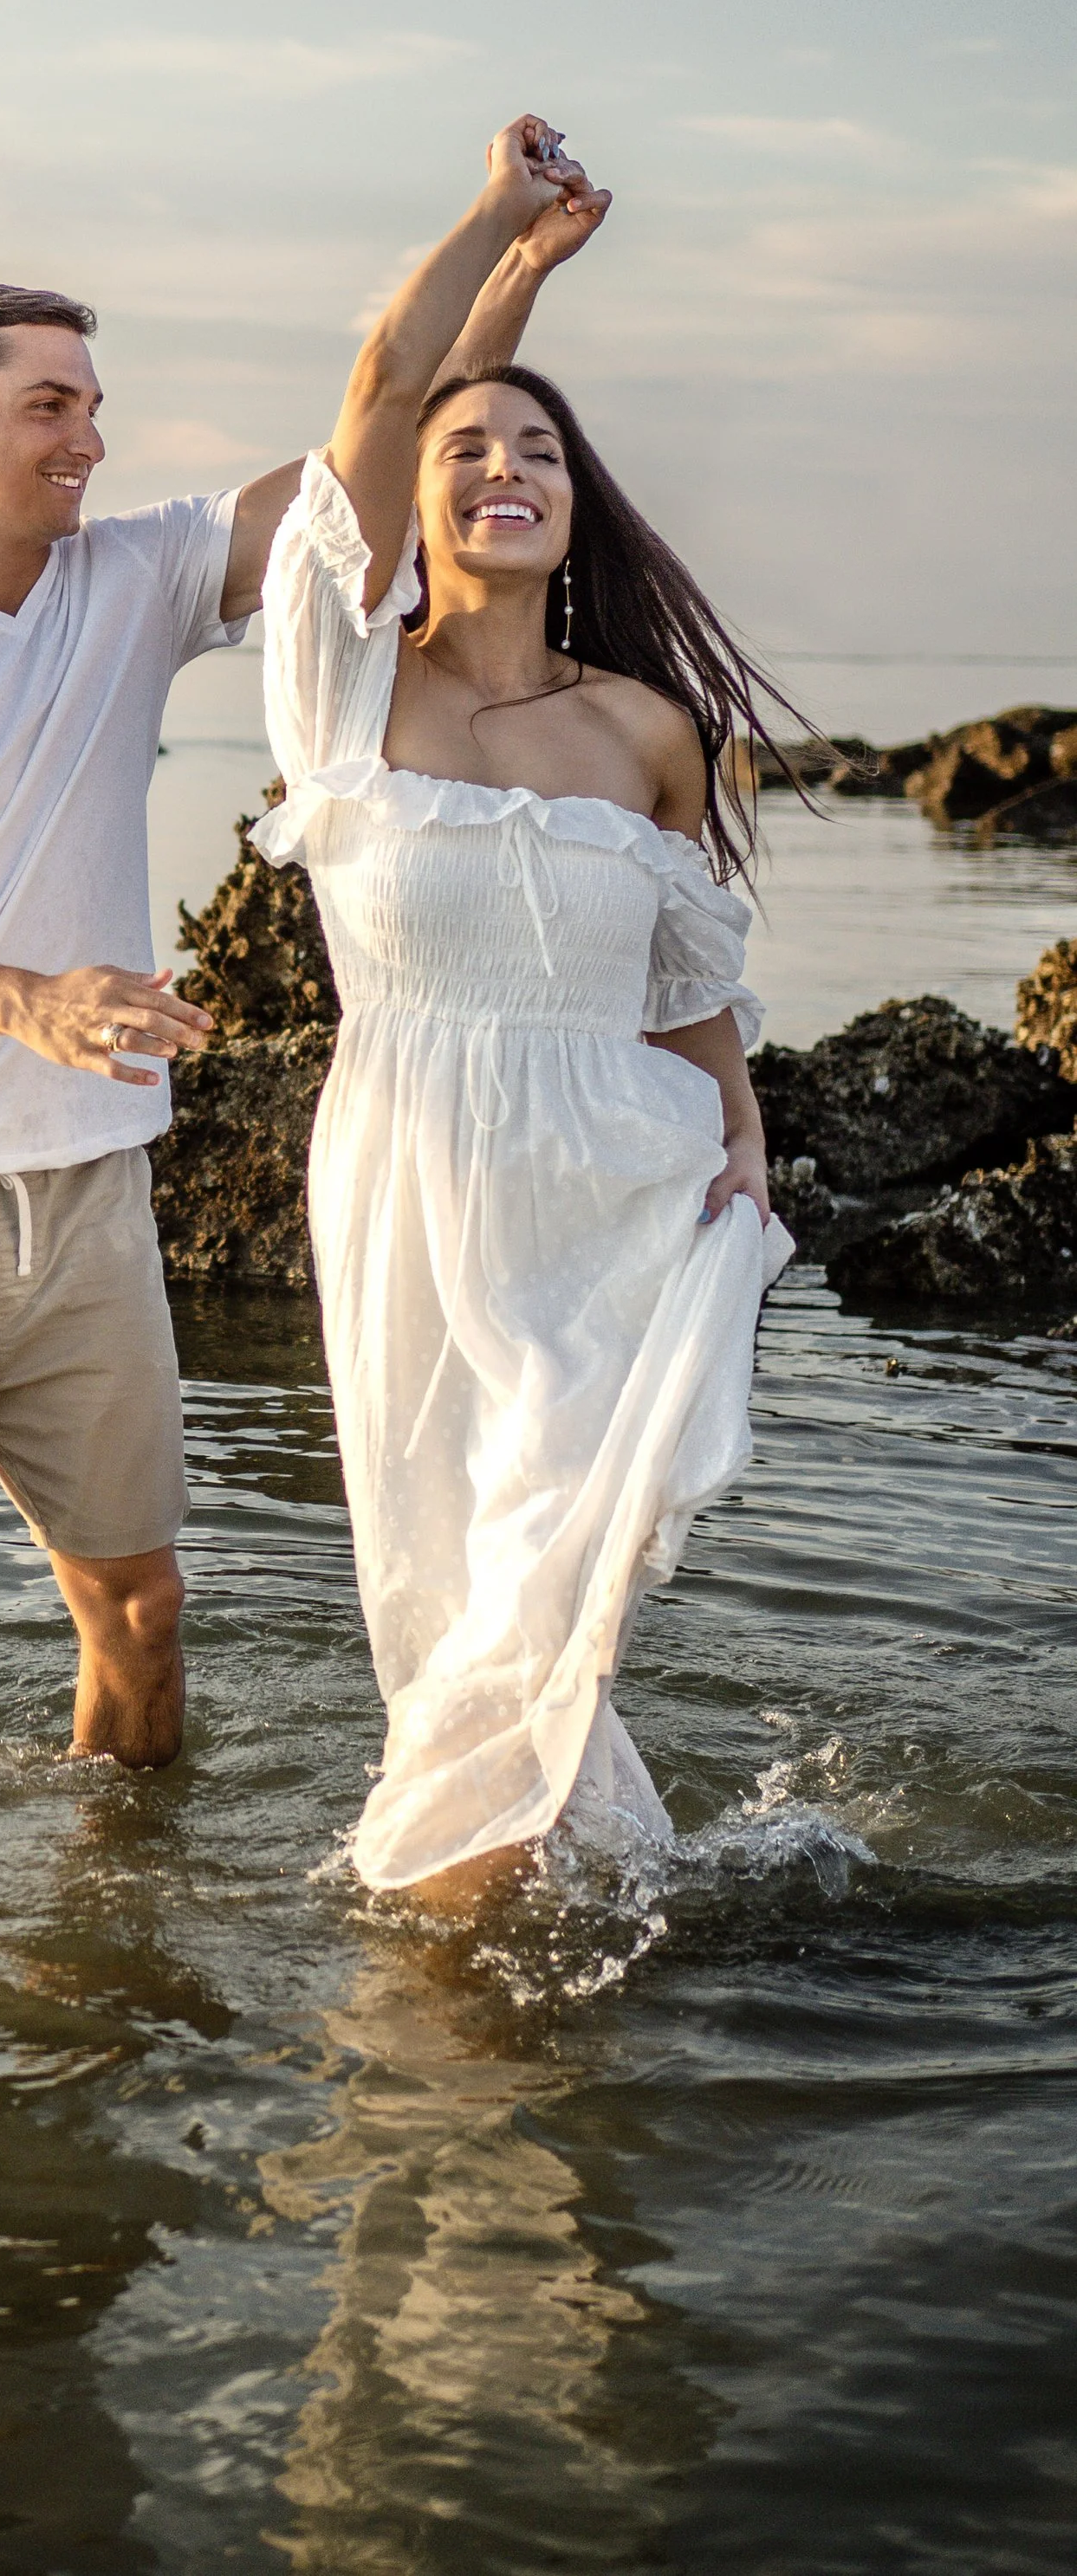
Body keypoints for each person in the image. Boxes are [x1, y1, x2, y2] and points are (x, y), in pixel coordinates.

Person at [0, 195, 608, 1774]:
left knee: (141, 1612)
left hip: (84, 1198)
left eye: (93, 406)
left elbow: (378, 443)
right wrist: (26, 1003)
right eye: (49, 406)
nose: (87, 440)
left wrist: (514, 265)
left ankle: (120, 1952)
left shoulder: (130, 580)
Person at [251, 114, 798, 1911]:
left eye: (537, 451)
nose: (502, 467)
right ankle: (519, 1898)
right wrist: (504, 235)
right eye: (468, 447)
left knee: (546, 1578)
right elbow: (384, 378)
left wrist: (739, 1141)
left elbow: (686, 981)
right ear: (409, 497)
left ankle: (471, 1919)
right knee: (453, 1587)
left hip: (616, 1196)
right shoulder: (345, 690)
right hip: (415, 1184)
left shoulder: (643, 729)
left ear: (575, 501)